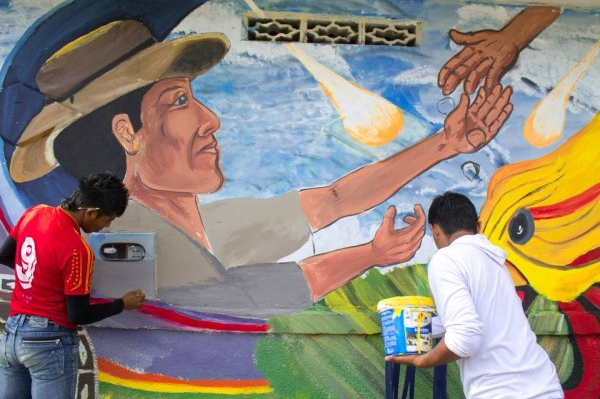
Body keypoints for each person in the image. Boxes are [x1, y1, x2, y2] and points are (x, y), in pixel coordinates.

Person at [8, 21, 513, 317]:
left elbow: (335, 200)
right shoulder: (135, 233)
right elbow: (248, 293)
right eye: (180, 101)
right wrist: (369, 254)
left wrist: (444, 143)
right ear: (127, 134)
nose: (211, 119)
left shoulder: (210, 224)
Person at [385, 192, 563, 399]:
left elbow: (465, 335)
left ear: (434, 230)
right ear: (478, 227)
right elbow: (472, 318)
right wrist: (416, 326)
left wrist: (424, 361)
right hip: (543, 386)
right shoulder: (496, 263)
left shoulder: (446, 259)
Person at [0, 172, 145, 399]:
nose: (105, 227)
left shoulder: (34, 213)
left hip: (12, 335)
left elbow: (5, 255)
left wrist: (38, 278)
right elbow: (78, 314)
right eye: (107, 220)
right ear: (91, 212)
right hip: (48, 343)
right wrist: (122, 304)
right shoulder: (78, 249)